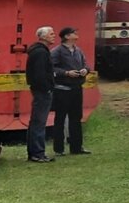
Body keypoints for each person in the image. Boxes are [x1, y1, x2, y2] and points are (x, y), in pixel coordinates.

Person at [51, 26, 91, 156]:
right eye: (74, 33)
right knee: (60, 118)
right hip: (62, 90)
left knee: (76, 118)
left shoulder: (78, 51)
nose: (76, 35)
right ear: (67, 36)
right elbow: (52, 68)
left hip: (76, 88)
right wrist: (66, 73)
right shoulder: (57, 51)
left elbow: (85, 64)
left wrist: (85, 70)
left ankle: (76, 147)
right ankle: (59, 148)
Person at [25, 26, 57, 162]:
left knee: (36, 122)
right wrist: (47, 88)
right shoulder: (40, 53)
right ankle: (38, 153)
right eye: (51, 34)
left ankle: (35, 152)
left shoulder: (38, 51)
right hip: (42, 91)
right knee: (39, 122)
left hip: (40, 90)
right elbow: (39, 74)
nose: (54, 36)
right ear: (43, 37)